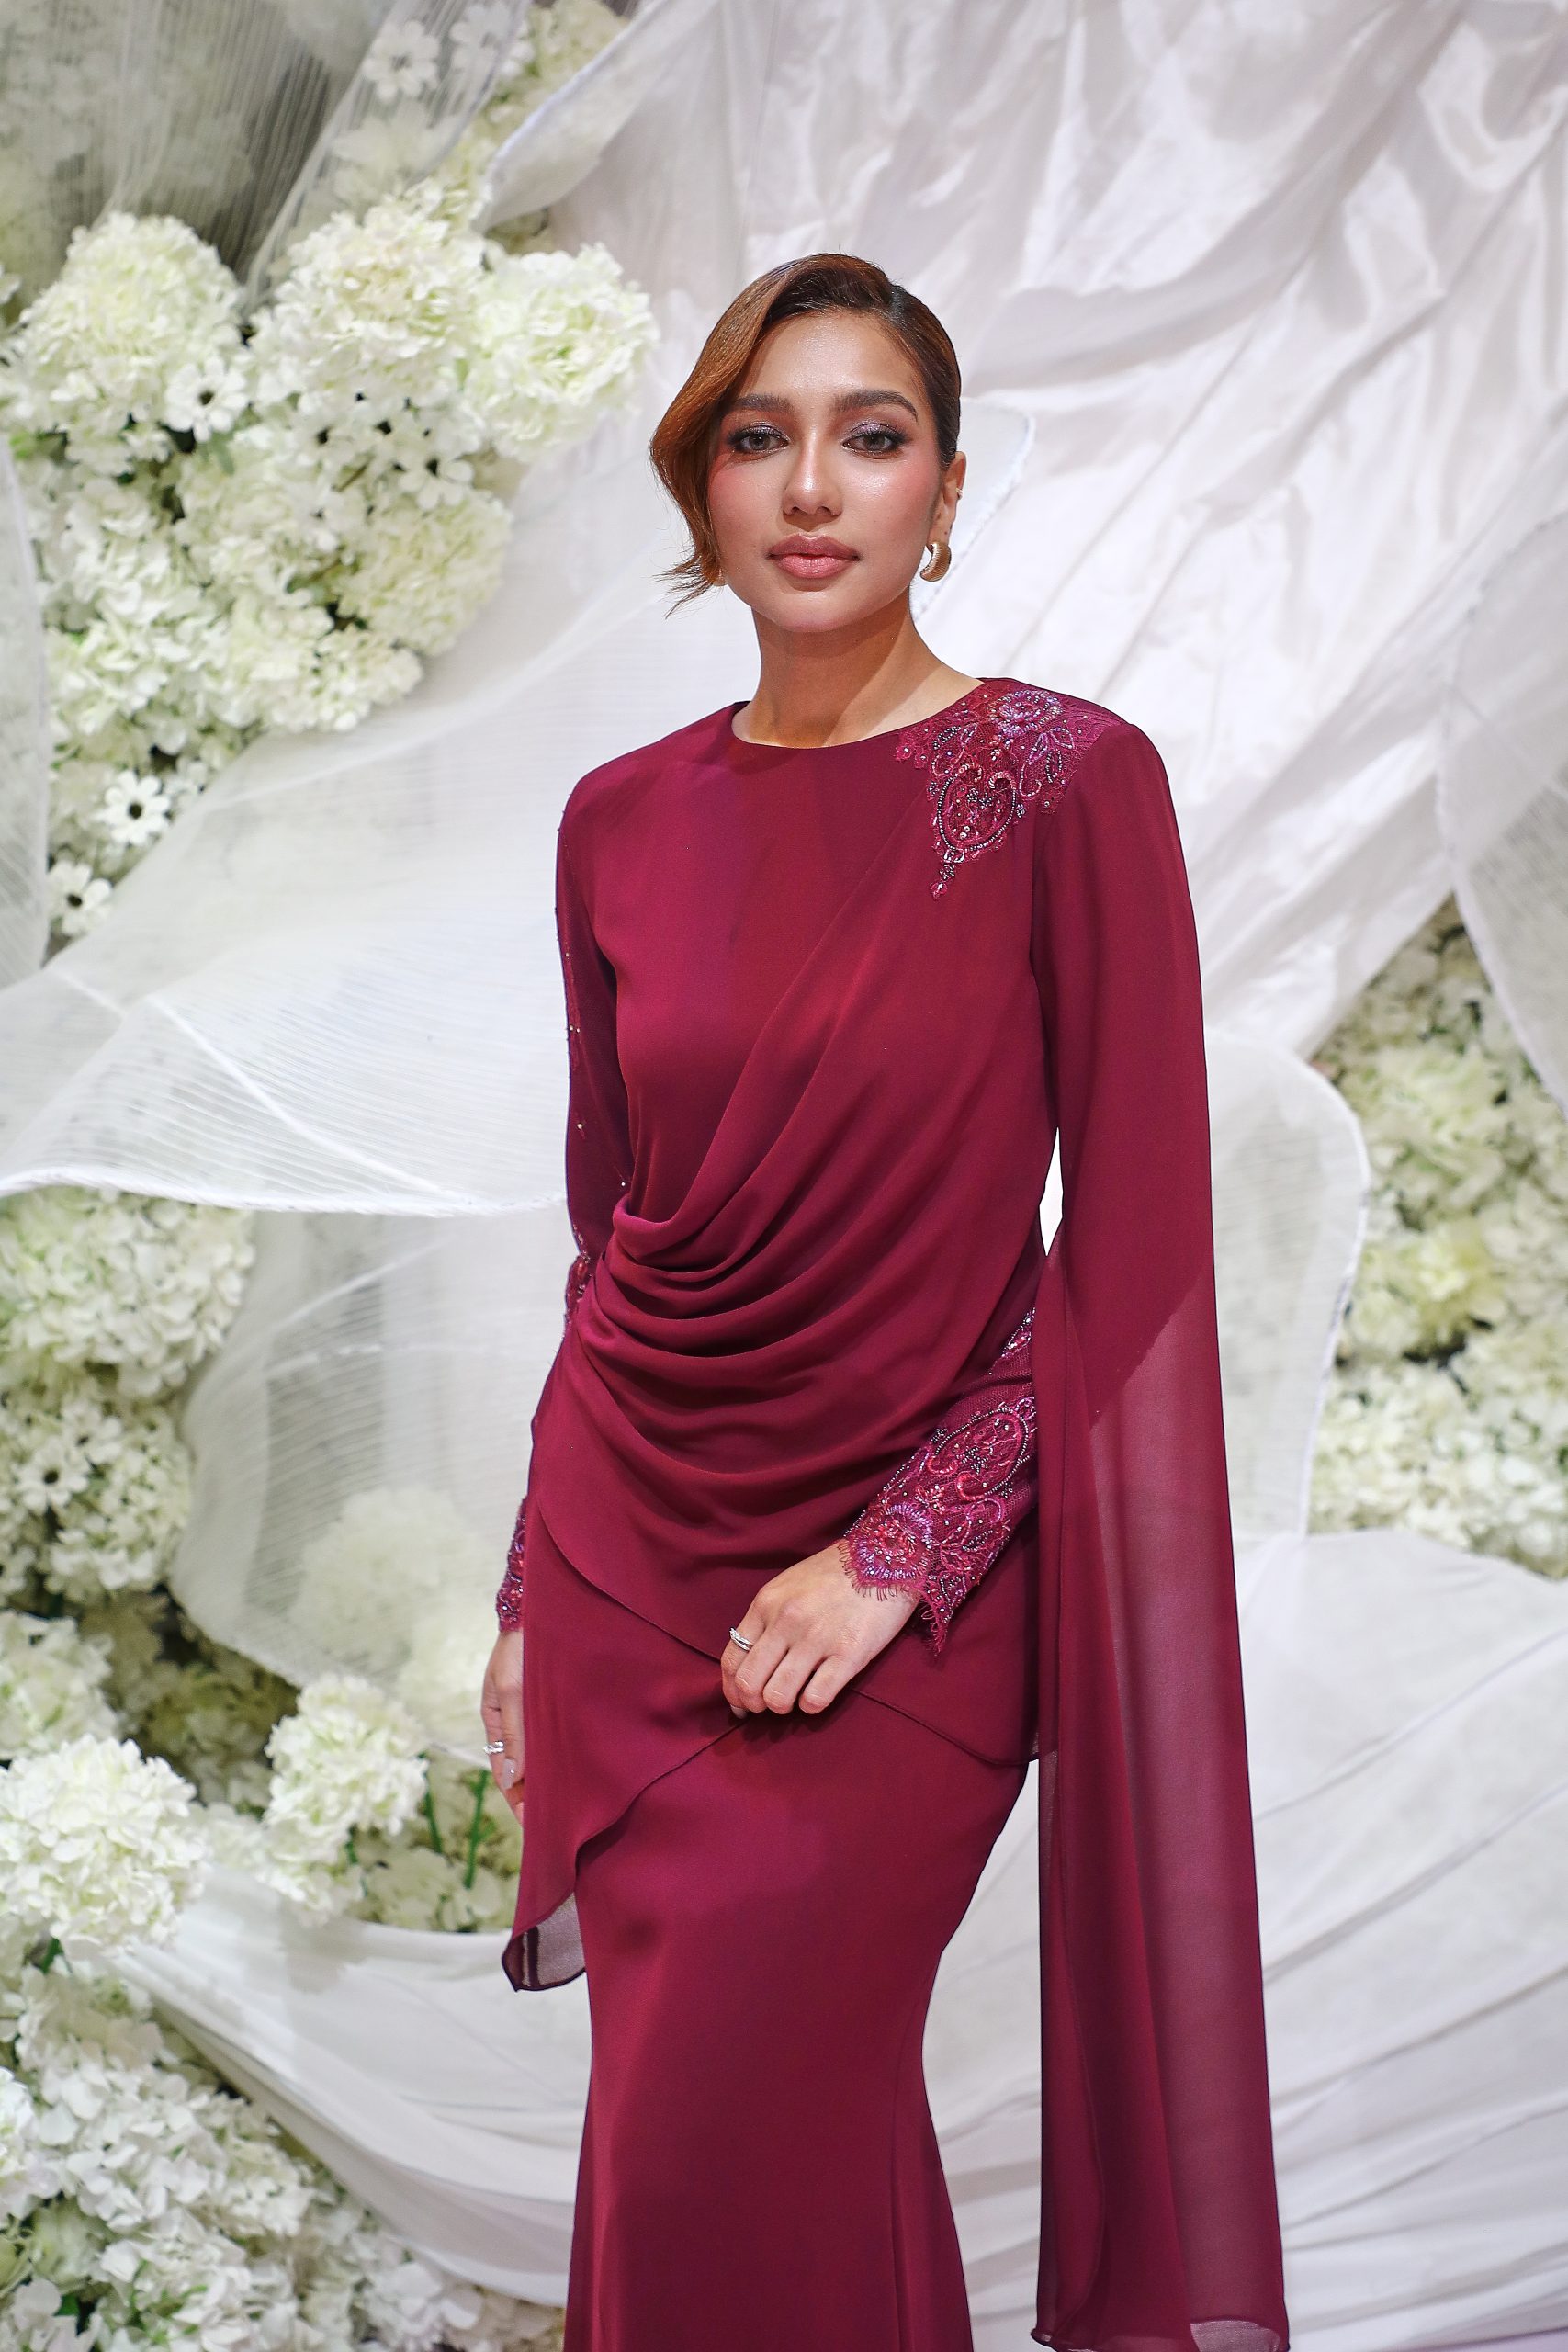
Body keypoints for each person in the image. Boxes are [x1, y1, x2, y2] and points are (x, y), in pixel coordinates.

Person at [479, 250, 1291, 2352]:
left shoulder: (1061, 777)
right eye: (758, 437)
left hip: (908, 1595)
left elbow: (1133, 1256)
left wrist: (899, 1549)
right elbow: (610, 1233)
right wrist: (530, 1583)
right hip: (630, 1568)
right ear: (701, 488)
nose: (812, 485)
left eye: (871, 435)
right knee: (707, 2142)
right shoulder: (615, 820)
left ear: (944, 488)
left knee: (740, 2104)